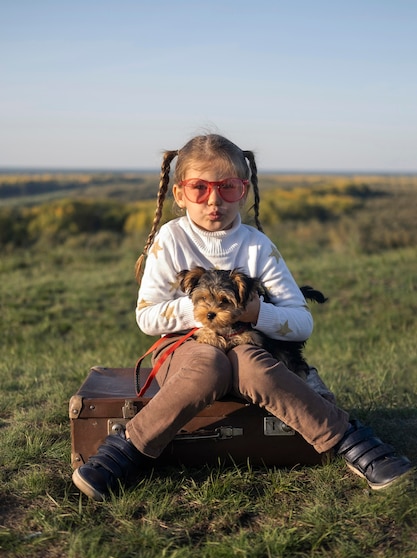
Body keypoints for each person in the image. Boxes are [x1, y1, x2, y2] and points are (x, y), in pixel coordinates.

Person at [72, 133, 413, 501]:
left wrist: (254, 312)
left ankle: (351, 442)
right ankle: (127, 449)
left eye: (228, 187)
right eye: (199, 188)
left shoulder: (257, 247)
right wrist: (204, 312)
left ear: (245, 190)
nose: (214, 200)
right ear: (180, 193)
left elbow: (302, 320)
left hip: (247, 343)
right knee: (208, 365)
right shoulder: (170, 240)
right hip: (185, 348)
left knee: (252, 365)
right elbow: (147, 316)